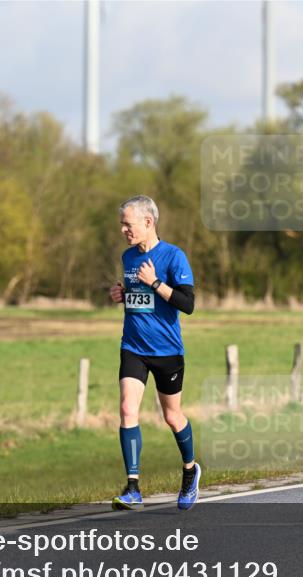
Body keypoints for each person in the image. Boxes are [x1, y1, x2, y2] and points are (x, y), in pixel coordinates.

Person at [108, 195, 201, 509]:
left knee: (172, 417)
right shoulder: (128, 257)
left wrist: (156, 282)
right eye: (122, 224)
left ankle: (190, 472)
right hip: (133, 346)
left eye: (128, 224)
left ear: (148, 222)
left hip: (167, 351)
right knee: (126, 409)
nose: (123, 230)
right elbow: (138, 295)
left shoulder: (174, 257)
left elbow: (187, 305)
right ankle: (133, 488)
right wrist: (122, 294)